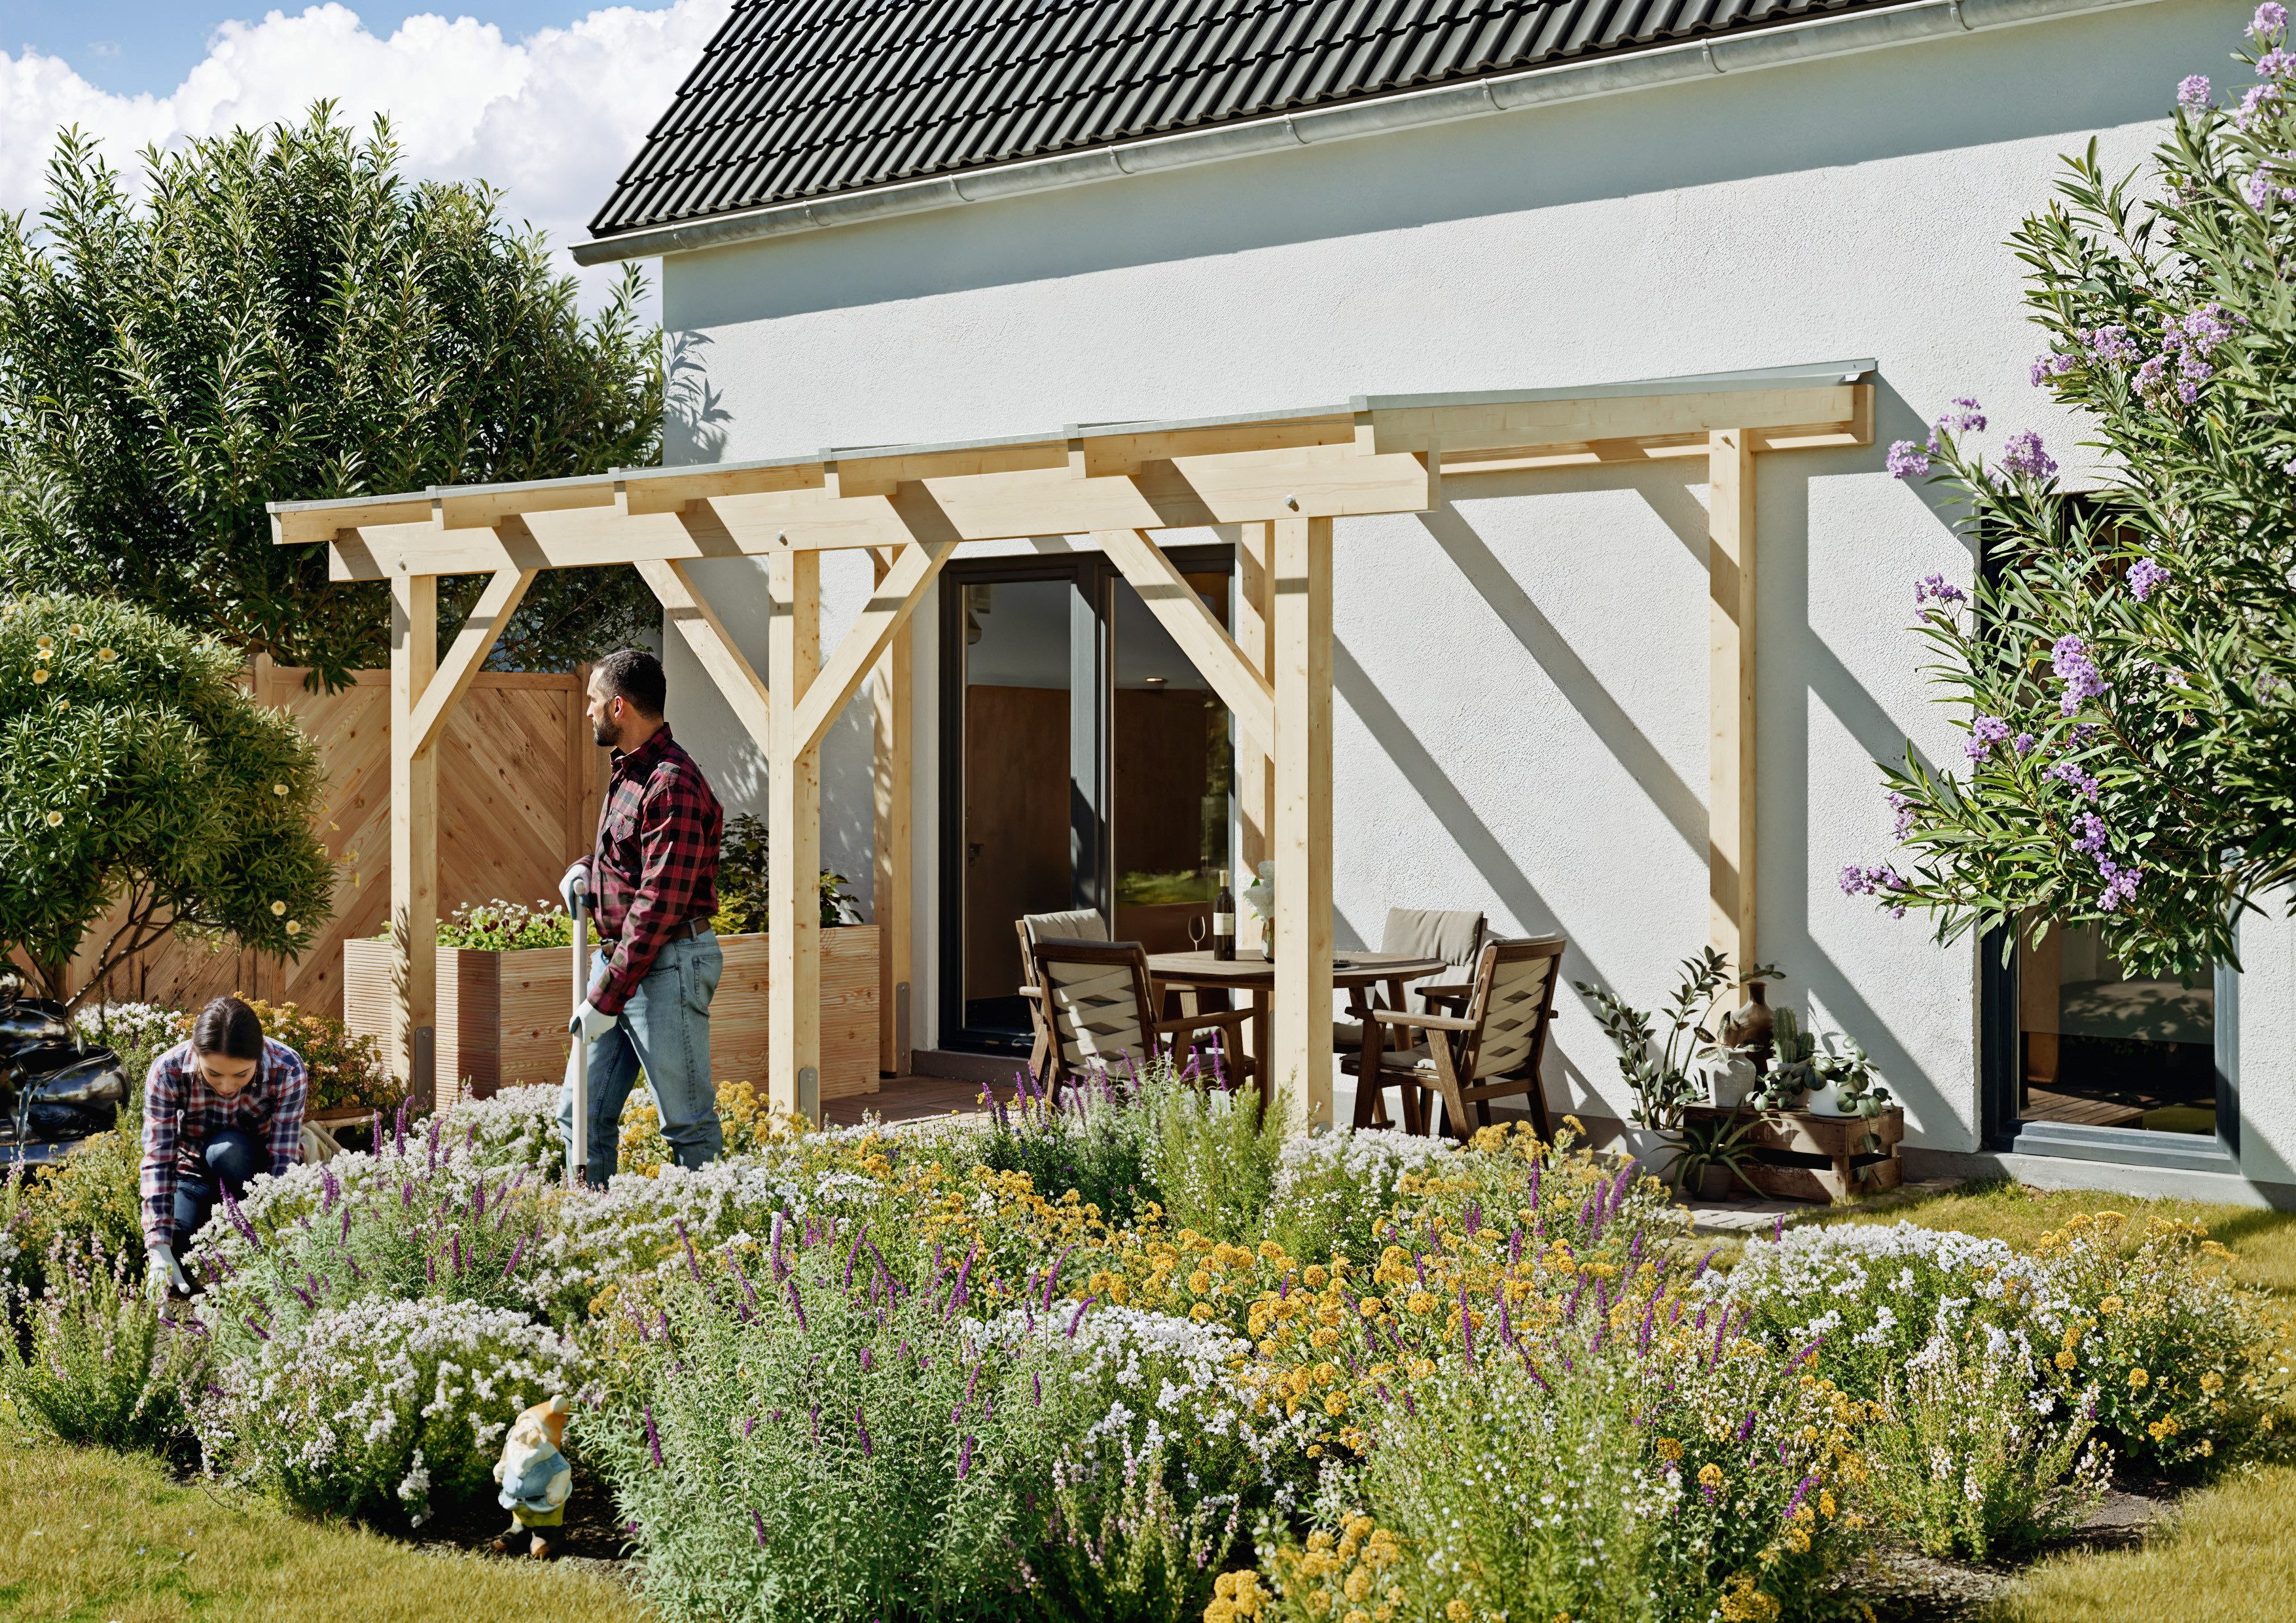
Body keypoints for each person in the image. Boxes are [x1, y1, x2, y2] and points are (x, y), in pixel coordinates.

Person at [557, 647, 725, 1185]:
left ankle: (716, 1255)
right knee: (579, 1119)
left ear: (619, 707)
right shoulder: (631, 772)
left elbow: (658, 906)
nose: (587, 711)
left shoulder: (672, 783)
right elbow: (631, 865)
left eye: (593, 700)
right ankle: (591, 1238)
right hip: (625, 964)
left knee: (686, 1127)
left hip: (668, 964)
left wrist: (605, 996)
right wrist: (587, 870)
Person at [140, 995, 309, 1297]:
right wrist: (158, 1246)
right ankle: (217, 1226)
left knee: (225, 1151)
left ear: (258, 1057)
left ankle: (241, 1225)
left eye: (241, 1074)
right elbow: (159, 1160)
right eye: (214, 1073)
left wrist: (282, 1228)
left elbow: (284, 1160)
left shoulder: (287, 1069)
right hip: (192, 1174)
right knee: (178, 1258)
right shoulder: (167, 1072)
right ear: (196, 1052)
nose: (227, 1086)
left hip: (252, 1176)